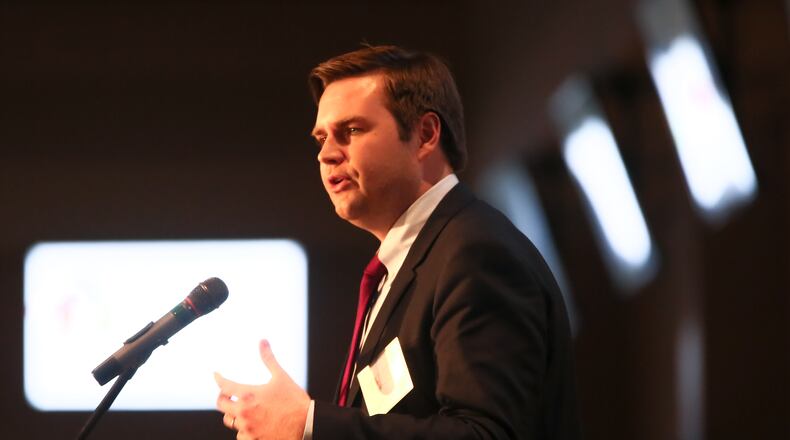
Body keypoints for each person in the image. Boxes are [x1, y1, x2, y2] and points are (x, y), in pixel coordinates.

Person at [214, 44, 581, 439]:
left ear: (425, 135)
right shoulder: (411, 265)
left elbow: (485, 434)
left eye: (351, 130)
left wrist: (311, 426)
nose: (327, 154)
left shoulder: (474, 254)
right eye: (321, 138)